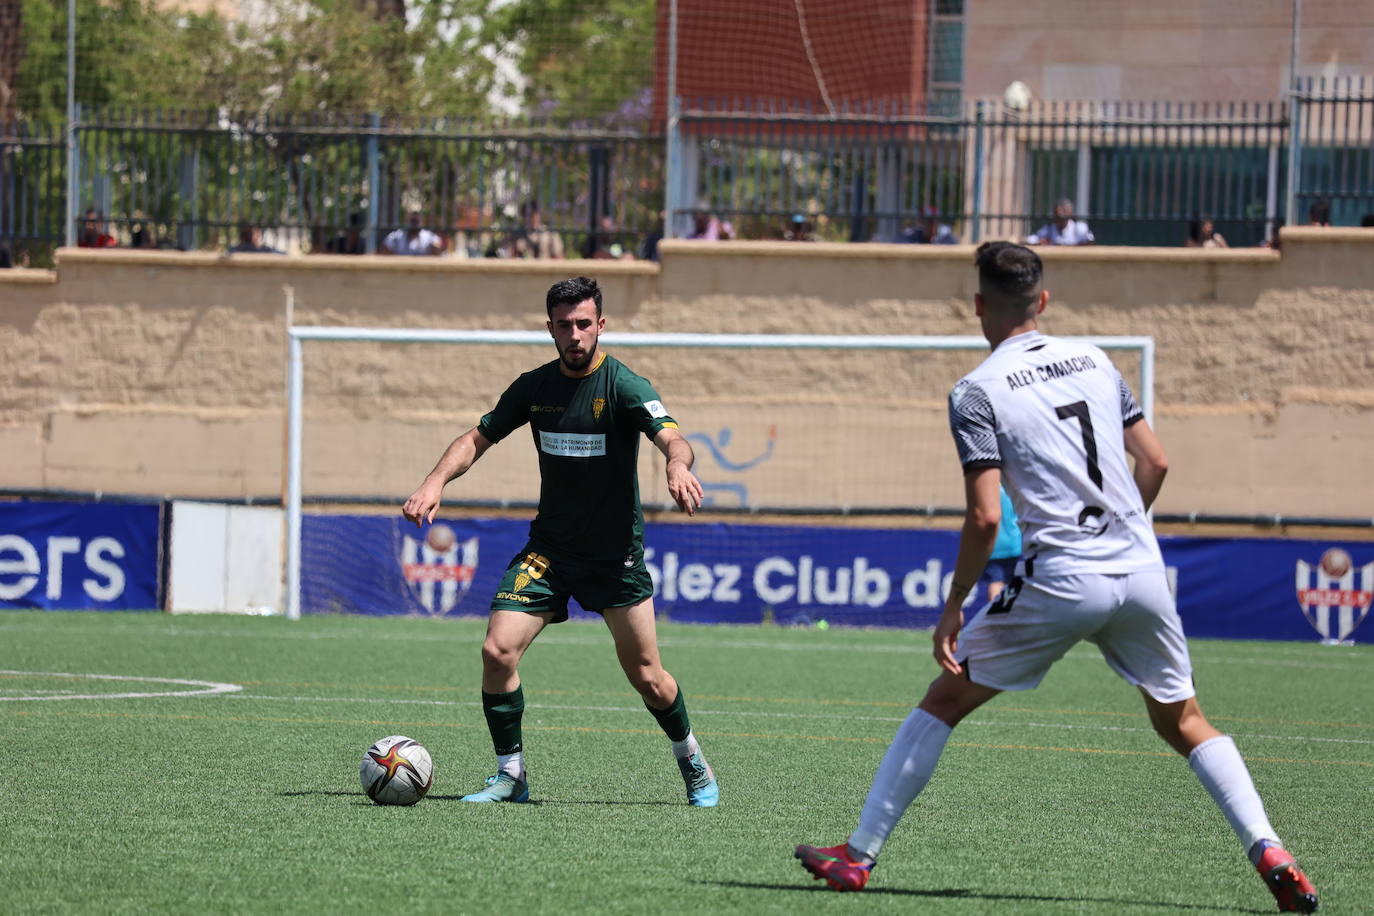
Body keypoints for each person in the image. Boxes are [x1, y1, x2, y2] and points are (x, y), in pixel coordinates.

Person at [795, 242, 1317, 915]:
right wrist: (1119, 531)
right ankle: (1269, 847)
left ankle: (858, 854)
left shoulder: (974, 391)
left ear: (978, 304)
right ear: (1042, 301)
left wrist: (954, 604)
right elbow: (1155, 462)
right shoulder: (1098, 362)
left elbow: (986, 519)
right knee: (1185, 720)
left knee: (943, 700)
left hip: (1062, 576)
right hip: (1141, 570)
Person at [401, 275, 719, 808]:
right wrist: (435, 481)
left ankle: (693, 762)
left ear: (600, 325)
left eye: (584, 323)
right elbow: (476, 438)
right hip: (549, 551)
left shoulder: (624, 386)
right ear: (549, 327)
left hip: (614, 557)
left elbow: (673, 437)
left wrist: (676, 465)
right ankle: (511, 775)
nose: (574, 334)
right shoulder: (536, 388)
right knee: (497, 652)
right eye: (564, 325)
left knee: (648, 678)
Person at [979, 486, 1020, 602]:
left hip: (992, 546)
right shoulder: (1013, 487)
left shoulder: (986, 489)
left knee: (996, 582)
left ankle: (994, 613)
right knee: (1014, 583)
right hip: (1014, 544)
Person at [1026, 198, 1094, 246]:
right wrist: (1039, 243)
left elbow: (1090, 242)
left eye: (1064, 211)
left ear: (1071, 213)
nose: (1060, 214)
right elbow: (1030, 240)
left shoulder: (1080, 228)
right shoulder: (1048, 230)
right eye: (1057, 212)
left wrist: (1073, 247)